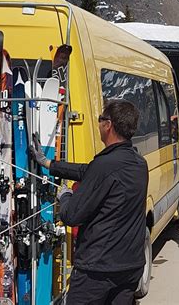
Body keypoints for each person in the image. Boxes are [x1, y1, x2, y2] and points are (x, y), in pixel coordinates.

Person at [31, 99, 148, 305]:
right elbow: (89, 171)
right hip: (131, 266)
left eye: (100, 119)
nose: (99, 124)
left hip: (98, 269)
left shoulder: (105, 165)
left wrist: (65, 195)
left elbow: (71, 215)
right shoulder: (138, 163)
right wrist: (49, 164)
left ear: (108, 124)